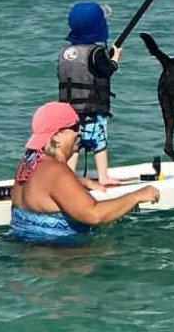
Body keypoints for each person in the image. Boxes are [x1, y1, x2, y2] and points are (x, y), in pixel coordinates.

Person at [9, 101, 159, 245]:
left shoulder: (28, 161)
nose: (79, 132)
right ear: (57, 136)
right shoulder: (56, 171)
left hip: (23, 250)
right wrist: (137, 195)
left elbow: (43, 189)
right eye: (75, 127)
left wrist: (79, 182)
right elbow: (94, 215)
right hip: (58, 258)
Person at [57, 2, 121, 183]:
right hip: (92, 109)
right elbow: (107, 70)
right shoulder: (96, 52)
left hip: (69, 112)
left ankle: (68, 177)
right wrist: (115, 58)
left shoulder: (65, 52)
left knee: (73, 145)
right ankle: (103, 177)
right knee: (99, 142)